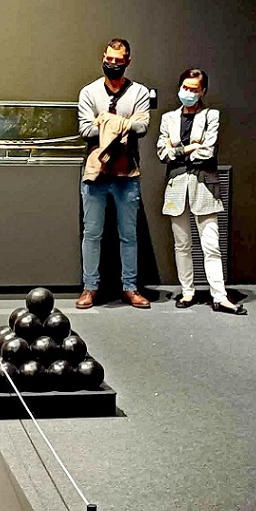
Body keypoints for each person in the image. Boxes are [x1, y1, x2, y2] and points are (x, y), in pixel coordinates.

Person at [157, 68, 242, 314]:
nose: (188, 93)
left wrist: (178, 150)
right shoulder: (168, 118)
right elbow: (162, 152)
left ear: (203, 91)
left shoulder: (211, 115)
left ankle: (219, 296)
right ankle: (187, 291)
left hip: (204, 184)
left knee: (211, 244)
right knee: (181, 244)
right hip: (176, 185)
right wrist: (189, 148)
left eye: (194, 89)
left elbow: (208, 151)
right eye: (185, 87)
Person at [77, 37, 152, 309]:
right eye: (109, 59)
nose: (112, 64)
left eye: (118, 61)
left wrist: (107, 121)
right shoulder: (89, 92)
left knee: (129, 235)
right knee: (92, 234)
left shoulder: (139, 92)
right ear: (103, 57)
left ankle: (130, 288)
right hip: (95, 173)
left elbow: (142, 127)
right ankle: (90, 287)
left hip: (126, 173)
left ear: (127, 62)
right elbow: (86, 130)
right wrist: (124, 125)